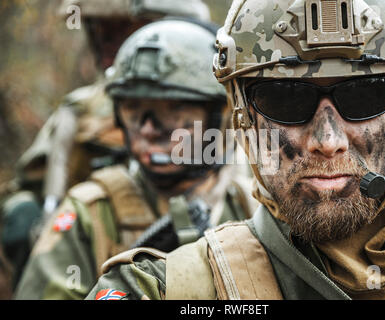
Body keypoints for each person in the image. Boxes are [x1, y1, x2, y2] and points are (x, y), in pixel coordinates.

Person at [86, 0, 385, 300]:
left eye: (365, 96)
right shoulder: (159, 290)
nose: (327, 141)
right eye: (286, 99)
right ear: (244, 119)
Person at [14, 16, 256, 300]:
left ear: (220, 116)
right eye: (133, 109)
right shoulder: (91, 213)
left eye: (173, 110)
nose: (148, 129)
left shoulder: (250, 201)